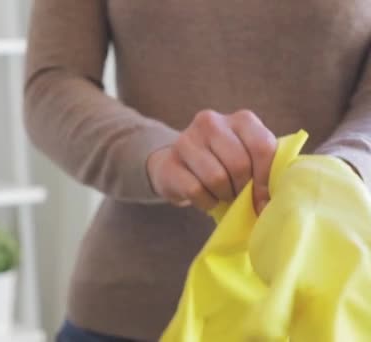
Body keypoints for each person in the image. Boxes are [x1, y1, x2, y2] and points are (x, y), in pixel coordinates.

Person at [24, 1, 371, 341]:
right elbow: (53, 84)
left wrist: (337, 172)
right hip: (128, 306)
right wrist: (160, 154)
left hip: (328, 308)